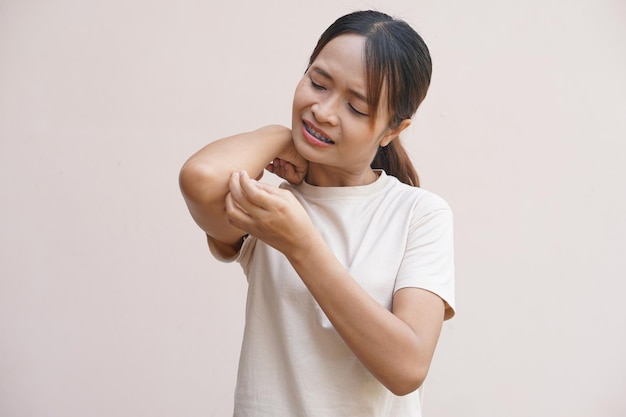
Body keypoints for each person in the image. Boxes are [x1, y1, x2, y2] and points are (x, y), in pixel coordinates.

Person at [179, 10, 455, 417]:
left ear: (393, 130)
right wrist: (278, 136)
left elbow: (407, 366)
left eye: (356, 108)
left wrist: (301, 244)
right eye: (317, 82)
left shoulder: (418, 213)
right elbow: (200, 178)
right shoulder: (270, 208)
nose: (323, 111)